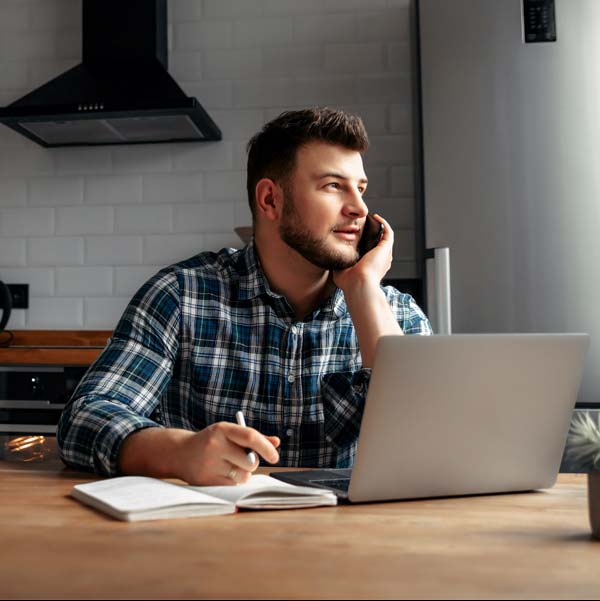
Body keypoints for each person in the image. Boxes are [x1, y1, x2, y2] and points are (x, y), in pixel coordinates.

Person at [57, 107, 432, 486]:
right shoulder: (180, 295)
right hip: (205, 536)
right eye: (333, 186)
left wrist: (364, 289)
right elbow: (85, 419)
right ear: (270, 200)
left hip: (350, 540)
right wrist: (181, 452)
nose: (360, 209)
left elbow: (431, 445)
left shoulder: (397, 313)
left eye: (360, 188)